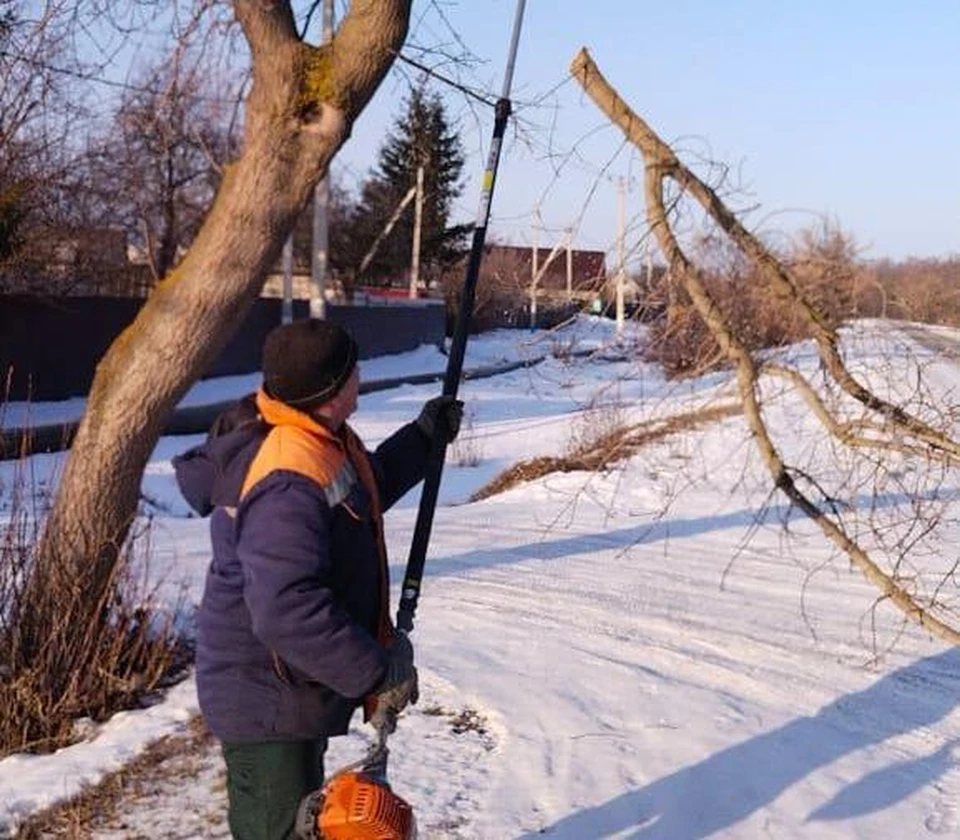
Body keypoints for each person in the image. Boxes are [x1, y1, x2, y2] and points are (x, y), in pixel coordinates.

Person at [173, 319, 462, 840]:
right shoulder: (286, 477)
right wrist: (376, 673)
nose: (361, 375)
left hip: (293, 687)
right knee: (280, 829)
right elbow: (285, 607)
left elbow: (355, 497)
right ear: (333, 389)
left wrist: (422, 440)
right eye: (354, 368)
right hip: (264, 699)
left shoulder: (313, 438)